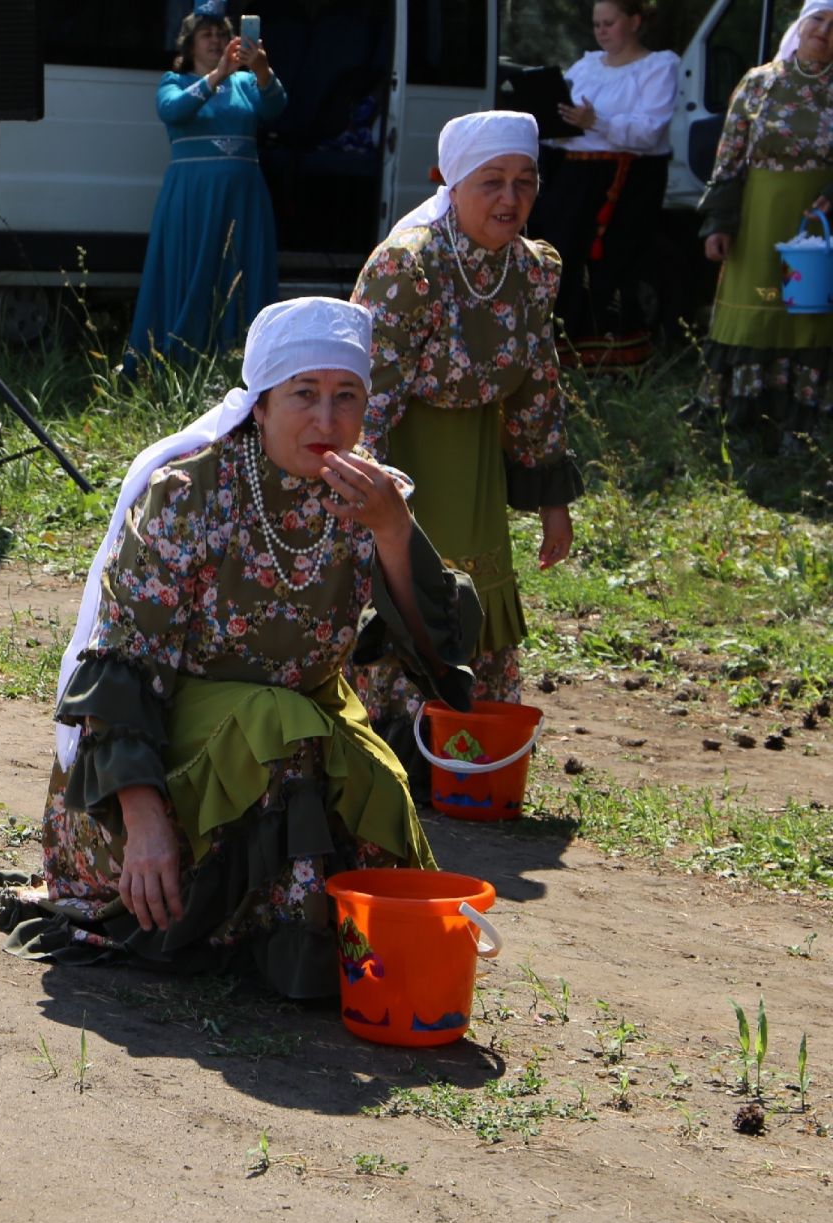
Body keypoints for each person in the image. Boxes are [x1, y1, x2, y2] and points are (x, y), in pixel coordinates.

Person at [0, 299, 483, 998]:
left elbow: (439, 656)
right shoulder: (190, 494)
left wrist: (395, 533)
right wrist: (144, 818)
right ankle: (270, 932)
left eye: (348, 397)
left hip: (300, 725)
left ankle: (305, 935)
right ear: (262, 404)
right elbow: (124, 663)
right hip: (175, 743)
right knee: (278, 725)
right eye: (304, 395)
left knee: (356, 765)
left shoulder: (370, 497)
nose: (328, 421)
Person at [349, 112, 583, 778]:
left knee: (474, 591)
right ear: (454, 185)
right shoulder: (411, 265)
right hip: (407, 459)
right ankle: (394, 751)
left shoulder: (534, 272)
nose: (510, 200)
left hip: (475, 463)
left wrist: (551, 501)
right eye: (492, 183)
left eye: (524, 183)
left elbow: (537, 386)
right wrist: (367, 489)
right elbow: (368, 392)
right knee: (407, 589)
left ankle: (466, 749)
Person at [693, 0, 833, 453]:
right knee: (754, 313)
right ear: (802, 22)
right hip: (757, 218)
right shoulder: (760, 83)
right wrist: (719, 221)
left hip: (819, 225)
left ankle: (801, 430)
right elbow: (730, 157)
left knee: (809, 320)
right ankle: (744, 427)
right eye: (819, 19)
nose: (825, 31)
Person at [123, 1, 287, 369]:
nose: (215, 40)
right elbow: (172, 110)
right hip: (192, 200)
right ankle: (178, 360)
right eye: (206, 34)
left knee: (240, 273)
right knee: (190, 270)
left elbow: (276, 106)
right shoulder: (174, 82)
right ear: (190, 44)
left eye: (221, 34)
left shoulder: (246, 83)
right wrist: (217, 75)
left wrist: (261, 69)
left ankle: (238, 361)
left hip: (242, 199)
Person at [529, 0, 679, 368]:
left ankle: (608, 354)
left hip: (622, 182)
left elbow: (650, 130)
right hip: (570, 177)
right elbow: (564, 119)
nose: (601, 31)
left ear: (635, 21)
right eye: (597, 24)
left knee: (608, 264)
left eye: (609, 22)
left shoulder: (658, 67)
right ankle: (556, 351)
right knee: (558, 255)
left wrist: (597, 121)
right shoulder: (585, 65)